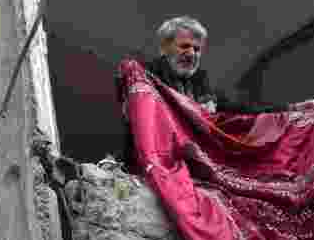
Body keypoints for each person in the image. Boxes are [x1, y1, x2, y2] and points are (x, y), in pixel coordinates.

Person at [117, 16, 287, 172]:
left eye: (197, 49)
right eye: (184, 46)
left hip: (195, 168)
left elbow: (238, 109)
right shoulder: (146, 76)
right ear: (165, 48)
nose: (191, 54)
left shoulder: (202, 82)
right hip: (153, 167)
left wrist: (288, 109)